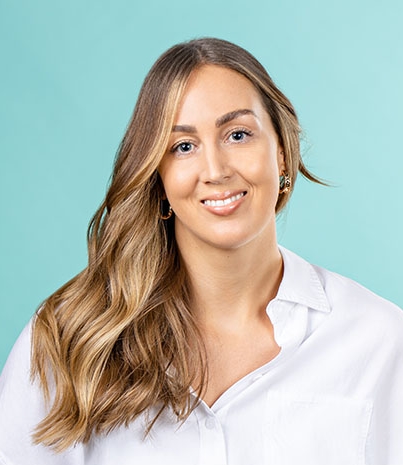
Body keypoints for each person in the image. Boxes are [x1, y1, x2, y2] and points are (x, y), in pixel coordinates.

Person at [0, 37, 402, 465]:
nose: (215, 170)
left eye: (238, 135)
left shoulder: (381, 342)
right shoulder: (69, 340)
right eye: (183, 146)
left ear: (283, 154)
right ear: (158, 177)